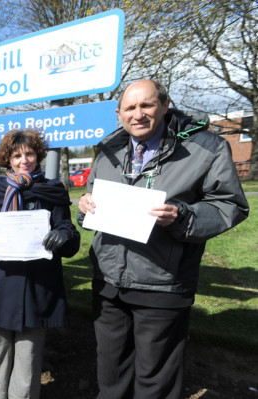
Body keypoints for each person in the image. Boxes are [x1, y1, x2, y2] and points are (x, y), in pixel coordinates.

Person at [77, 80, 249, 398]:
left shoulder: (205, 147)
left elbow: (230, 205)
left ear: (165, 105)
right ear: (119, 113)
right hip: (109, 282)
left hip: (163, 282)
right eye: (130, 108)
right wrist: (85, 205)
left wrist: (182, 216)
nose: (138, 114)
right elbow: (92, 197)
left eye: (147, 105)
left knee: (154, 382)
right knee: (110, 376)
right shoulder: (108, 150)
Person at [0, 129, 80, 398]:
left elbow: (70, 232)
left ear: (38, 155)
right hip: (1, 283)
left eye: (29, 153)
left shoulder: (53, 190)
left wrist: (62, 235)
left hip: (37, 284)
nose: (24, 160)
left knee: (28, 353)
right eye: (17, 155)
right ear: (7, 159)